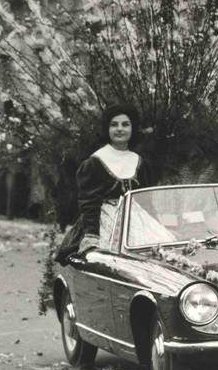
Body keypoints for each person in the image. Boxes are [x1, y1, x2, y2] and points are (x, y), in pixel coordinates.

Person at [55, 105, 156, 263]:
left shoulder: (140, 162)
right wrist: (91, 234)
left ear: (133, 128)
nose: (119, 129)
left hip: (137, 219)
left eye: (125, 124)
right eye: (114, 125)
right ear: (107, 129)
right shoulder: (95, 162)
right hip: (104, 222)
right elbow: (89, 203)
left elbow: (146, 200)